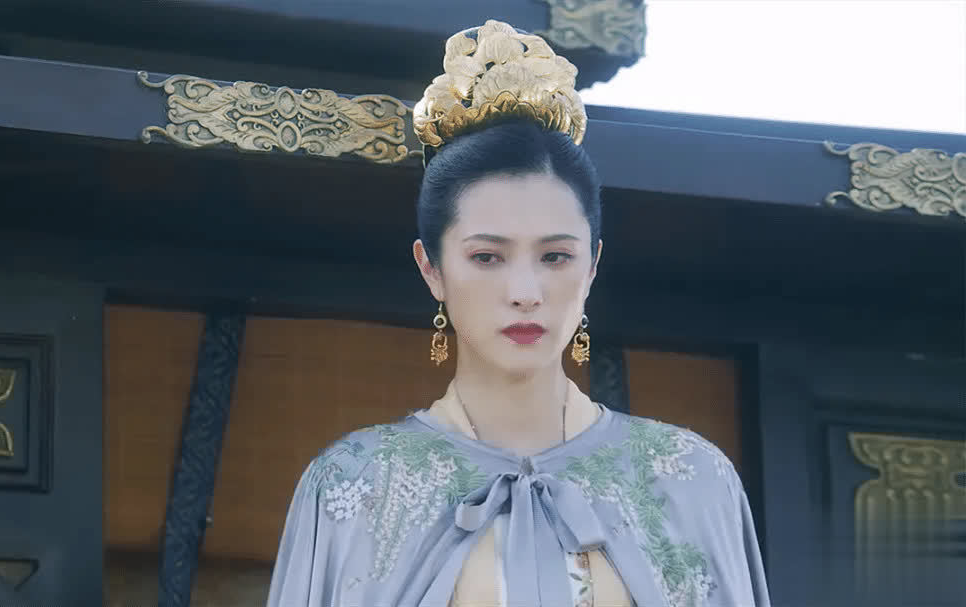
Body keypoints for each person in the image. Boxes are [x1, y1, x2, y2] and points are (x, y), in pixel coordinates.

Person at [266, 19, 771, 607]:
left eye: (555, 256)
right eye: (487, 257)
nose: (526, 291)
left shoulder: (691, 479)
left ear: (592, 266)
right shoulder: (355, 483)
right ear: (431, 269)